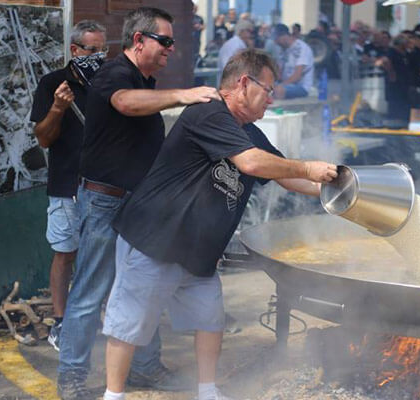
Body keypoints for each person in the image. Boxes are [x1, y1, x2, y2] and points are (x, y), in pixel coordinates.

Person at [101, 49, 337, 400]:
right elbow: (254, 165)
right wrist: (307, 167)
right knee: (129, 325)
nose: (272, 98)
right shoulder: (208, 114)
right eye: (268, 90)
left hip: (198, 251)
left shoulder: (250, 133)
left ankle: (207, 392)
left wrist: (336, 192)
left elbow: (286, 176)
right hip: (155, 239)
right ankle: (113, 395)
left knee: (210, 321)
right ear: (243, 83)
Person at [56, 7, 222, 400]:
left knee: (143, 287)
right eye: (164, 41)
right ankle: (72, 377)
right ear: (138, 41)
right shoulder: (116, 74)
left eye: (171, 41)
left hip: (139, 204)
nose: (170, 48)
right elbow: (126, 103)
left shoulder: (144, 79)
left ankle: (145, 368)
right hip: (105, 201)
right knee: (92, 290)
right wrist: (183, 94)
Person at [30, 20, 107, 353]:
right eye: (92, 50)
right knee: (65, 252)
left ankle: (94, 315)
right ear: (75, 50)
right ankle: (60, 321)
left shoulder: (107, 83)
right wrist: (59, 108)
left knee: (102, 254)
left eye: (104, 50)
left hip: (105, 183)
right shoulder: (53, 83)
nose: (99, 57)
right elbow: (44, 137)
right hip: (67, 182)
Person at [272, 23, 314, 99]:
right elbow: (279, 74)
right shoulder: (283, 50)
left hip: (301, 87)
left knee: (278, 91)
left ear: (283, 37)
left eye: (276, 39)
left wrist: (280, 85)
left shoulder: (301, 48)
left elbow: (297, 76)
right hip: (287, 84)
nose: (275, 43)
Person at [379, 32, 414, 122]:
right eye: (406, 43)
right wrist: (391, 72)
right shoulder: (392, 52)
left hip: (404, 87)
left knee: (404, 111)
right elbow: (385, 61)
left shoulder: (405, 54)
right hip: (395, 88)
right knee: (395, 111)